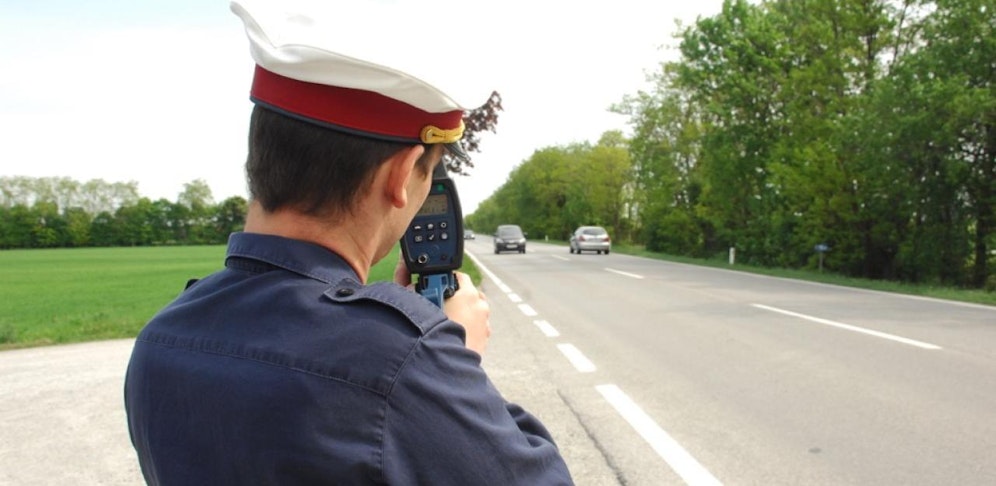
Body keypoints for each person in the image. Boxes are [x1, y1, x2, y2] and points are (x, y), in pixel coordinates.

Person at [123, 1, 574, 485]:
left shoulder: (159, 340)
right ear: (401, 176)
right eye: (430, 172)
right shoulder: (401, 363)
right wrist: (458, 364)